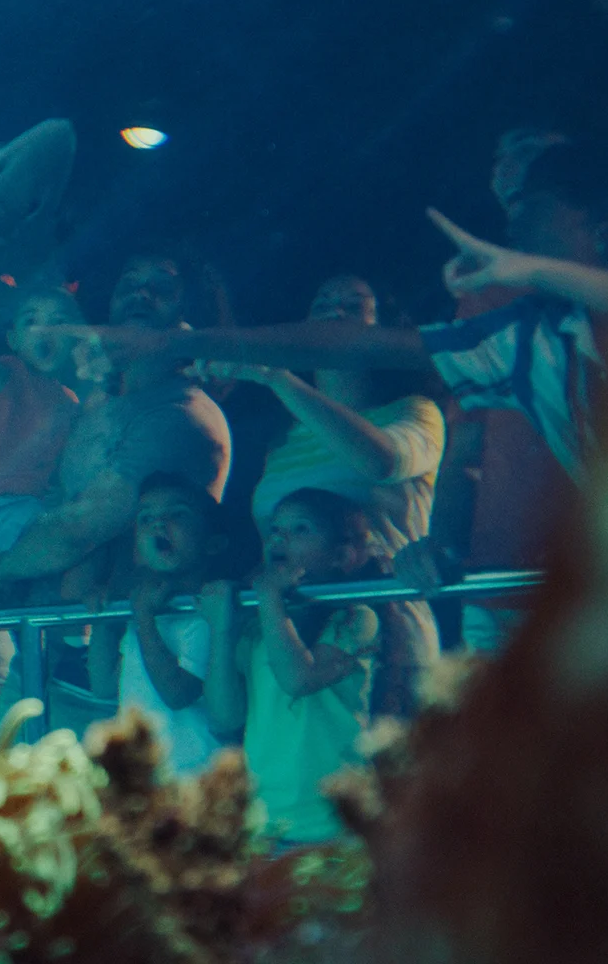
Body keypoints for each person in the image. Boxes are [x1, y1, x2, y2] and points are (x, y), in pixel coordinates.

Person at [54, 137, 608, 486]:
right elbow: (356, 344)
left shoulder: (422, 406)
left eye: (533, 210)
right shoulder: (524, 342)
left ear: (604, 225)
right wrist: (177, 343)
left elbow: (384, 460)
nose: (513, 228)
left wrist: (533, 270)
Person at [194, 274, 444, 718]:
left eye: (354, 305)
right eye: (323, 304)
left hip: (386, 637)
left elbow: (380, 462)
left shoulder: (414, 412)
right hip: (291, 631)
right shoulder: (283, 439)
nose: (335, 312)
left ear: (384, 331)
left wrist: (277, 376)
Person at [0, 252, 233, 584]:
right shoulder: (99, 404)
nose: (141, 294)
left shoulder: (179, 417)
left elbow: (79, 528)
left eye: (162, 286)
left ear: (188, 318)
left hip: (138, 625)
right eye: (129, 283)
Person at [198, 489, 380, 846]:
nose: (280, 539)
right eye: (275, 530)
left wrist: (268, 597)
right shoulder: (258, 626)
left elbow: (298, 679)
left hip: (333, 825)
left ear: (340, 556)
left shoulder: (356, 618)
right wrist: (221, 628)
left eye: (300, 530)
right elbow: (224, 717)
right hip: (265, 827)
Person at [86, 473, 228, 777]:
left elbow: (178, 694)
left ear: (213, 542)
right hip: (144, 780)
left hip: (195, 776)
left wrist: (144, 619)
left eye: (177, 514)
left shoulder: (207, 612)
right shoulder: (142, 609)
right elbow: (103, 685)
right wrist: (104, 618)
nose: (158, 524)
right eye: (146, 517)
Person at [0, 285, 83, 554]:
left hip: (32, 505)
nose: (44, 330)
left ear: (75, 338)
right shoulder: (13, 372)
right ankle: (0, 572)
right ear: (14, 340)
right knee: (60, 539)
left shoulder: (69, 402)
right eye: (31, 321)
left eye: (58, 322)